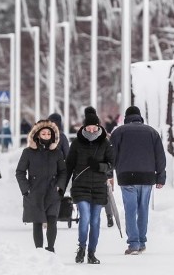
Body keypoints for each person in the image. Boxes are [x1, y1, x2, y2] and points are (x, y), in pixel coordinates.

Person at [110, 105, 167, 255]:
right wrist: (160, 176)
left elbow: (111, 155)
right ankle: (141, 242)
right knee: (143, 209)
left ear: (126, 118)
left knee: (130, 209)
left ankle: (133, 244)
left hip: (127, 176)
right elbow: (160, 156)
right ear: (139, 117)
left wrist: (109, 174)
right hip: (147, 177)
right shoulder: (152, 132)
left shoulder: (119, 132)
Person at [65, 107, 115, 264]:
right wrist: (61, 187)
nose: (92, 129)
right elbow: (69, 166)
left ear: (99, 126)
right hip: (80, 186)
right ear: (84, 127)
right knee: (85, 217)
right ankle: (81, 248)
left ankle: (92, 253)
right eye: (89, 127)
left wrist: (99, 167)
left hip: (99, 187)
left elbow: (112, 164)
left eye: (94, 127)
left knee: (95, 221)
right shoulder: (77, 143)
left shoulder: (105, 143)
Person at [15, 119, 67, 251]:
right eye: (43, 134)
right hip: (35, 191)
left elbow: (63, 171)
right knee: (37, 222)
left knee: (52, 220)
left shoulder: (57, 153)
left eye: (49, 134)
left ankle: (50, 248)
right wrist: (26, 190)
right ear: (37, 135)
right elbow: (20, 172)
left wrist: (59, 187)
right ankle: (39, 250)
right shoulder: (28, 152)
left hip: (52, 191)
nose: (46, 137)